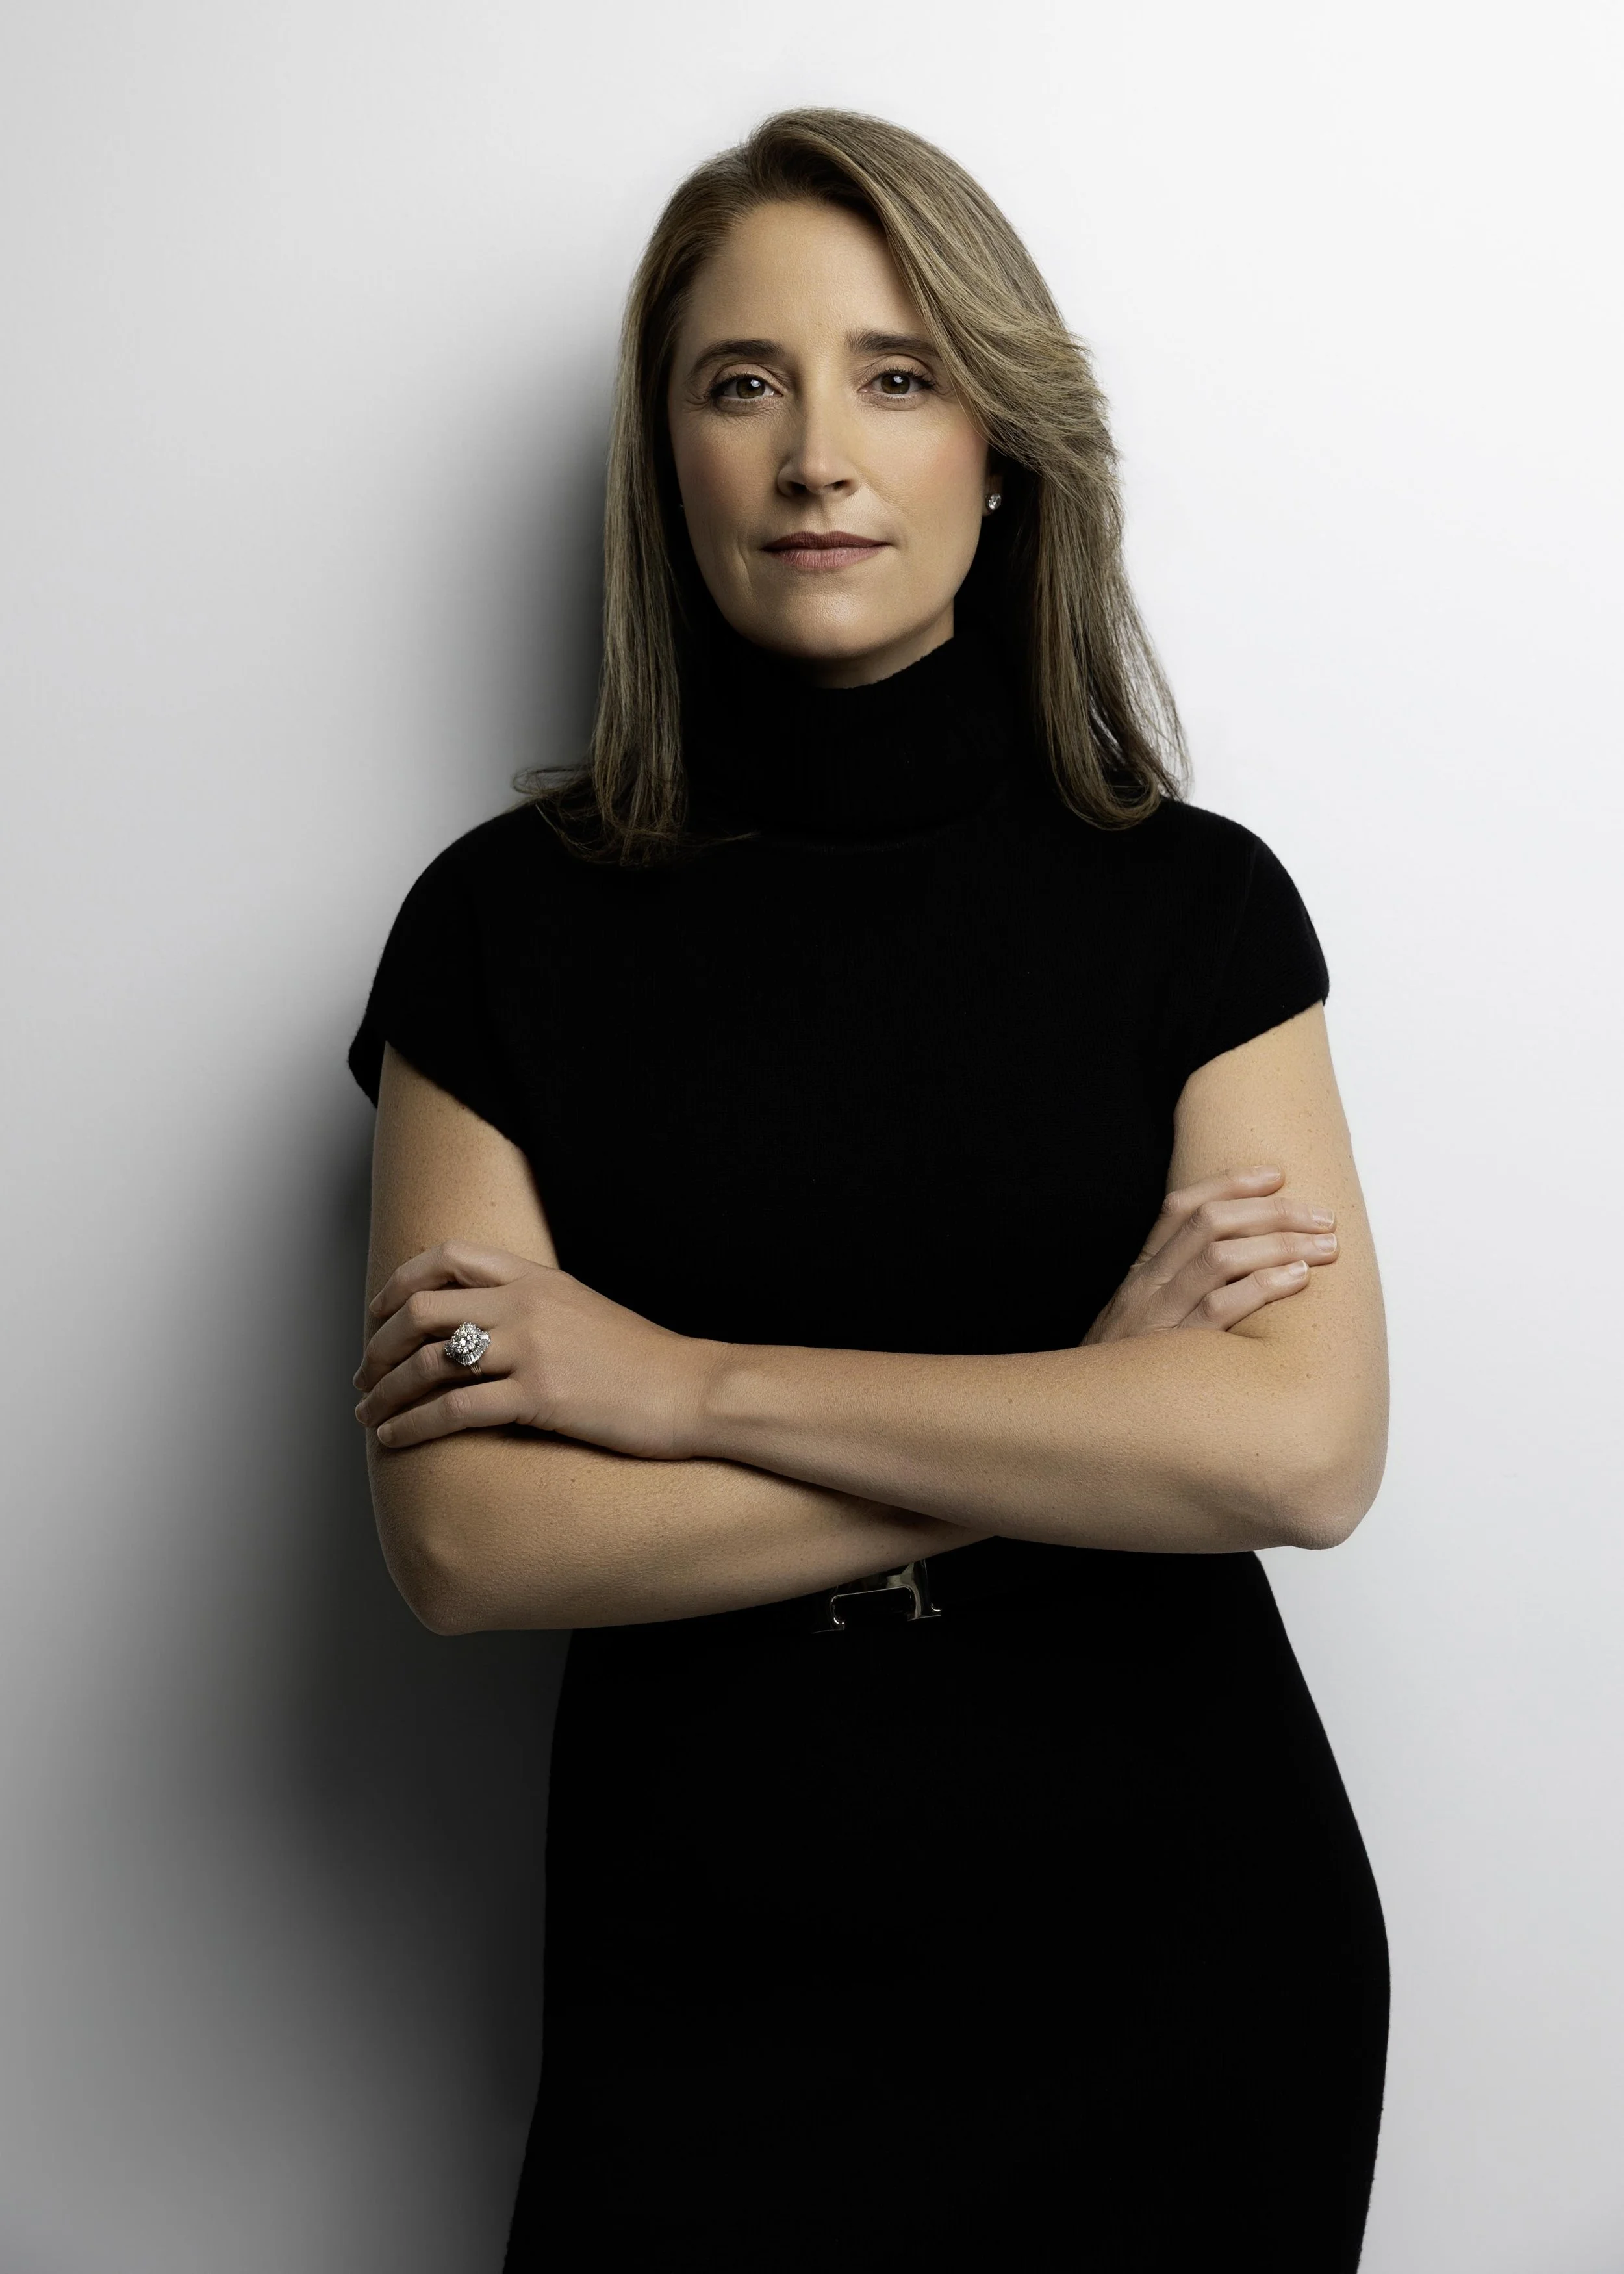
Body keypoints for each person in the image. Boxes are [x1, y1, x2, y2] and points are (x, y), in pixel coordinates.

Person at [349, 109, 1389, 2272]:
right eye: (745, 382)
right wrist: (1084, 1412)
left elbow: (1293, 1448)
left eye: (896, 374)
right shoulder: (493, 928)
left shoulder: (1189, 911)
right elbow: (471, 1537)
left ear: (999, 446)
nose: (819, 450)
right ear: (668, 458)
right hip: (703, 1986)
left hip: (1180, 1973)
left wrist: (678, 1383)